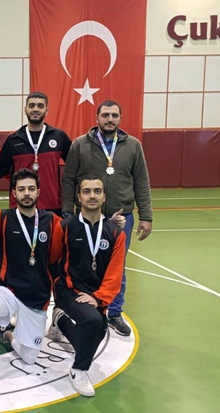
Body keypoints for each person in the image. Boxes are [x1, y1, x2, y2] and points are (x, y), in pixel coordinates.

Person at [60, 100, 153, 336]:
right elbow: (69, 179)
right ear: (97, 118)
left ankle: (114, 312)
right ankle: (78, 308)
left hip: (121, 216)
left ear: (120, 118)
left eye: (114, 115)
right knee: (80, 264)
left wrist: (146, 215)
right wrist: (68, 212)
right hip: (86, 217)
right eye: (105, 115)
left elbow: (141, 182)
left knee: (116, 267)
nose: (109, 119)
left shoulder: (133, 145)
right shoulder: (80, 144)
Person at [0, 169, 62, 398]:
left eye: (31, 189)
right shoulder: (2, 218)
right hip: (9, 290)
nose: (26, 193)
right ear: (13, 193)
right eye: (21, 189)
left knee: (29, 358)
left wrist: (109, 224)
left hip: (37, 295)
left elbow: (73, 234)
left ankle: (6, 334)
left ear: (39, 192)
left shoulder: (51, 221)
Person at [52, 175, 125, 397]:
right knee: (92, 321)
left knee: (99, 330)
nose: (92, 196)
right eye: (86, 191)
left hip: (94, 294)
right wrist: (55, 289)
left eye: (97, 191)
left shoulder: (115, 232)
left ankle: (60, 320)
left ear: (104, 197)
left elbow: (115, 272)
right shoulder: (65, 227)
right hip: (68, 289)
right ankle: (78, 370)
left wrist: (99, 297)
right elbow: (52, 260)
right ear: (78, 197)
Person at [0, 92, 72, 215]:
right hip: (20, 206)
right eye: (32, 105)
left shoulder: (59, 137)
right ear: (25, 110)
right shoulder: (14, 140)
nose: (35, 109)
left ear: (47, 110)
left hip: (52, 205)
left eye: (40, 106)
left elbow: (74, 167)